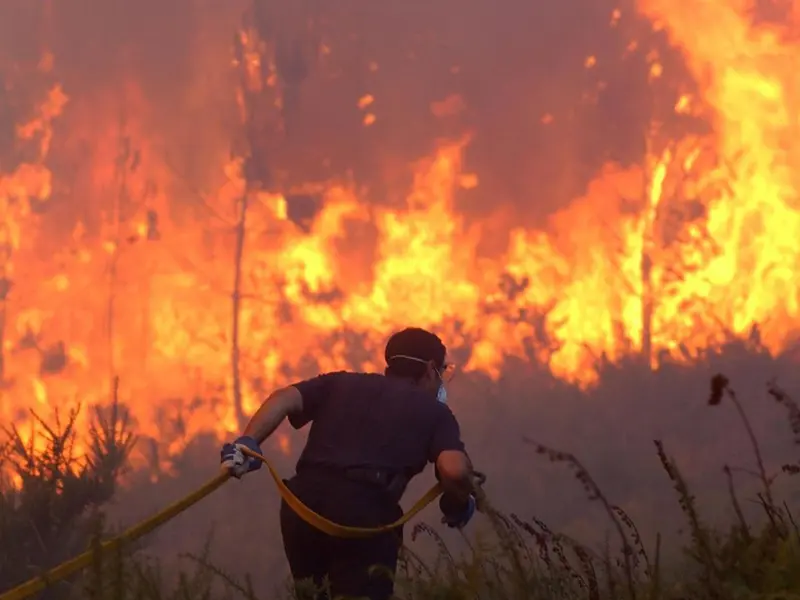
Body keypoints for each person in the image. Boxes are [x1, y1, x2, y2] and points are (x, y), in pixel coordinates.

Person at [220, 327, 476, 600]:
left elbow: (283, 398)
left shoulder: (339, 383)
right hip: (362, 516)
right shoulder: (436, 413)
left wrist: (248, 442)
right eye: (443, 372)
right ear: (429, 369)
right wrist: (458, 502)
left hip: (302, 508)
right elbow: (455, 469)